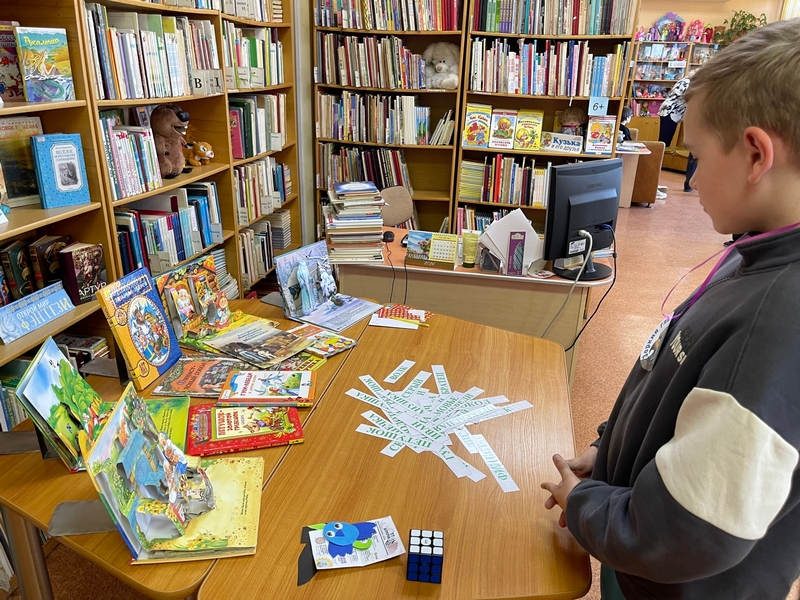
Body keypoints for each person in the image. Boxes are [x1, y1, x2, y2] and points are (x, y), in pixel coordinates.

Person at [541, 18, 800, 600]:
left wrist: (583, 504)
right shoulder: (755, 251)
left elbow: (685, 533)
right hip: (636, 539)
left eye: (698, 156)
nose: (694, 178)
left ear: (756, 154)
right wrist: (608, 452)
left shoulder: (777, 320)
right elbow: (672, 386)